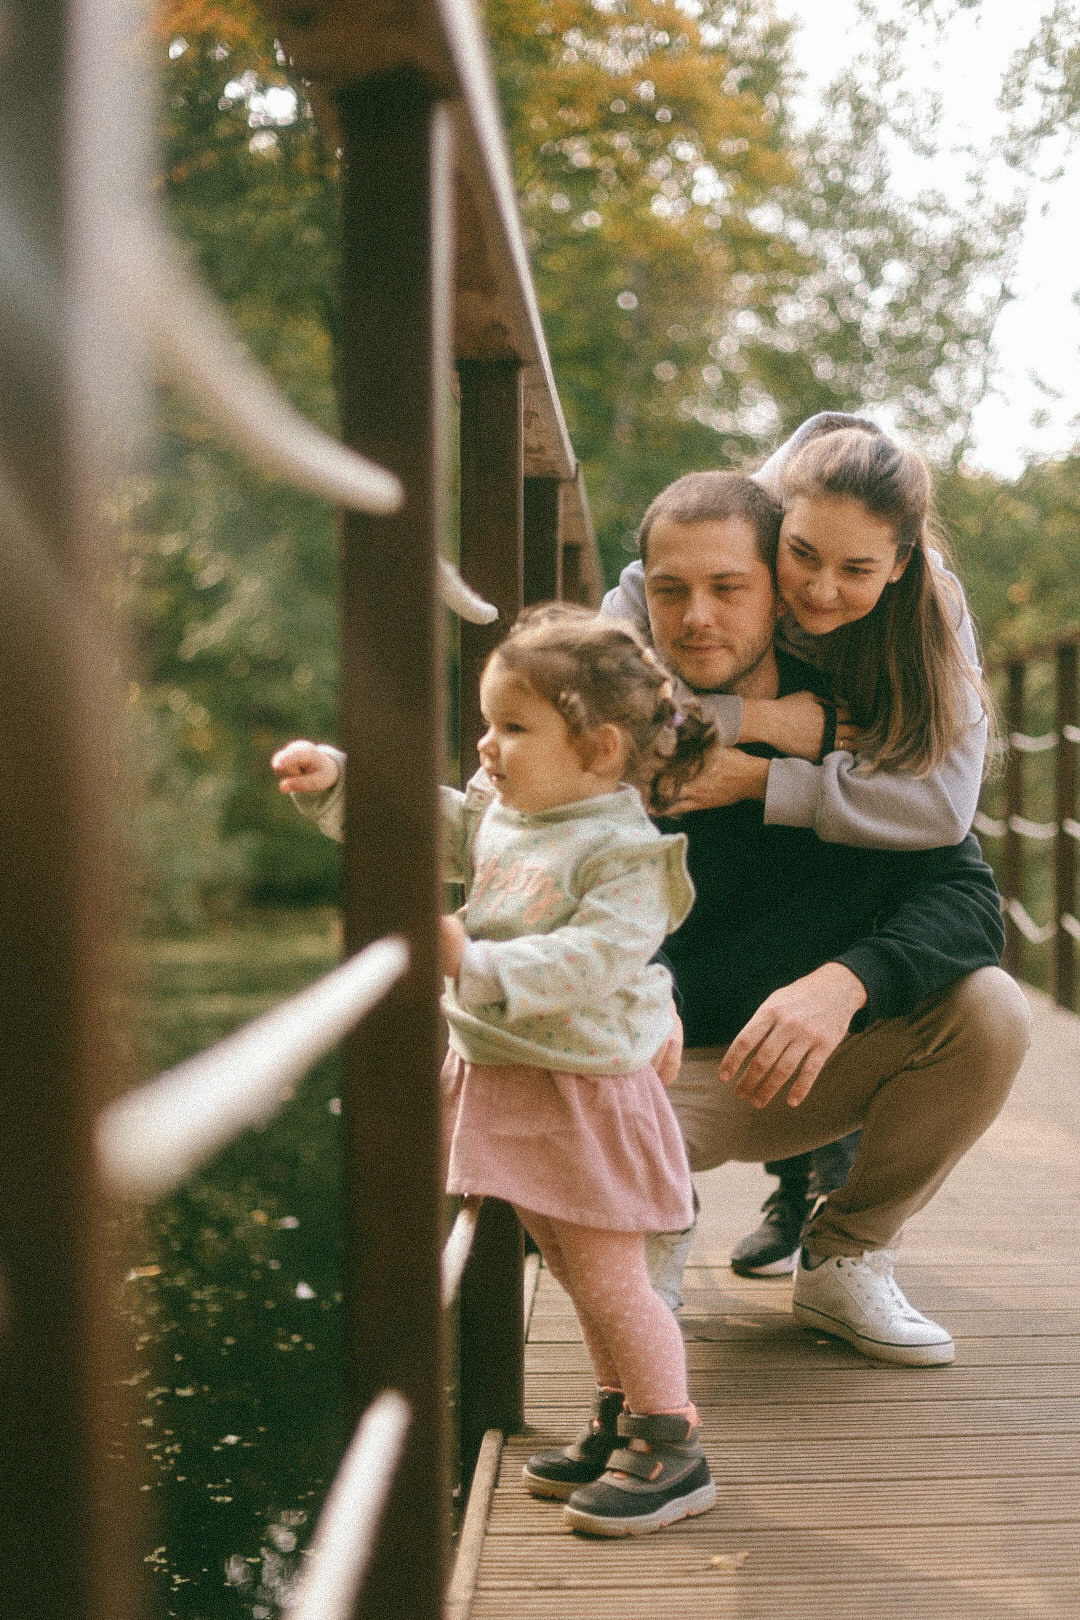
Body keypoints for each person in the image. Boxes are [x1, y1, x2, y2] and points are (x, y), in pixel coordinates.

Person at [272, 606, 719, 1537]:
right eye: (489, 722)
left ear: (597, 749)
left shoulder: (626, 854)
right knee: (562, 1261)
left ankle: (671, 1438)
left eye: (515, 727)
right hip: (514, 1069)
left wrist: (470, 962)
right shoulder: (511, 814)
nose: (488, 743)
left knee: (607, 1274)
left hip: (583, 1086)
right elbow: (432, 820)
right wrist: (340, 783)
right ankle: (618, 1411)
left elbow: (593, 959)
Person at [603, 458, 1030, 1364]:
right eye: (673, 593)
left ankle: (844, 1257)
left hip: (801, 1070)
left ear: (773, 596)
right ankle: (655, 1226)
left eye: (730, 586)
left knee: (991, 1011)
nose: (698, 616)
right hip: (649, 1081)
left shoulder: (871, 723)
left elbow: (966, 900)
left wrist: (845, 985)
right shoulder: (623, 737)